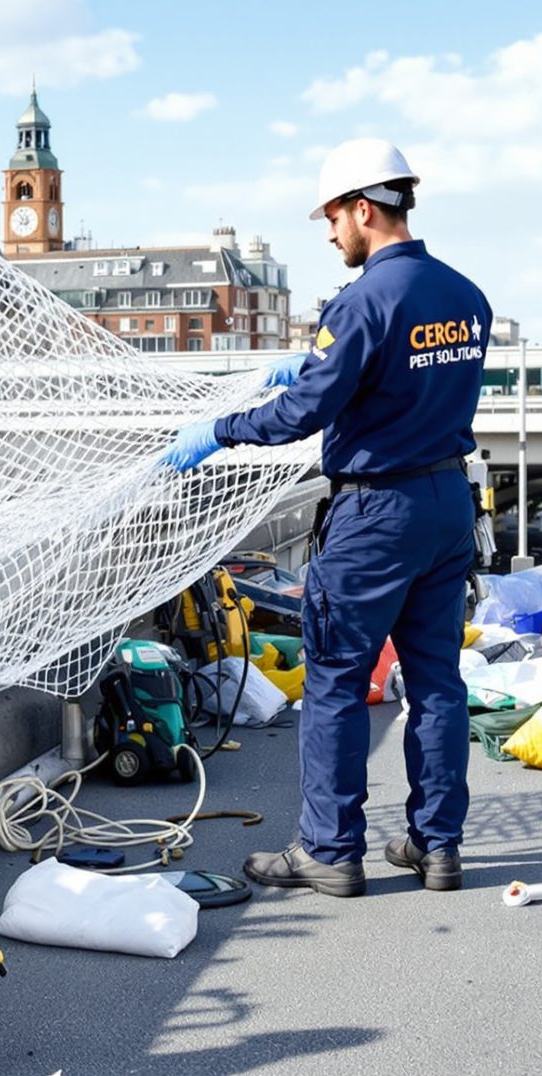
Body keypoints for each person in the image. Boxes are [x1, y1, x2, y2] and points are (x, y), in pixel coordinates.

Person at [162, 138, 491, 899]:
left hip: (376, 513)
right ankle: (438, 847)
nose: (329, 233)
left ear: (365, 209)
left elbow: (307, 411)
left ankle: (331, 850)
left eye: (334, 217)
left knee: (339, 678)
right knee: (438, 682)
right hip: (447, 500)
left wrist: (219, 430)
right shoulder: (466, 296)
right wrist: (313, 359)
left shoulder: (362, 302)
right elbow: (395, 380)